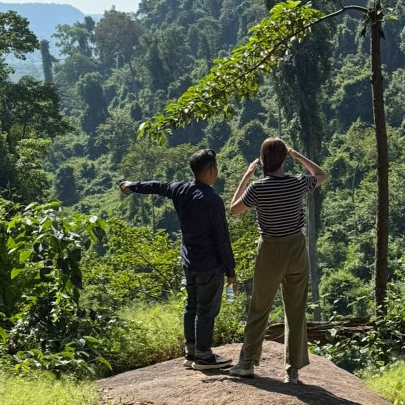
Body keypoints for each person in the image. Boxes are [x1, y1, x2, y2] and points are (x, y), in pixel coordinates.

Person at [119, 149, 237, 370]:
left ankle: (190, 353)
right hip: (209, 265)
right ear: (211, 170)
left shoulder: (180, 189)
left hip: (189, 262)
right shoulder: (212, 200)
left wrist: (131, 185)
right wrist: (230, 271)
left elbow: (157, 186)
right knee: (206, 310)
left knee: (191, 306)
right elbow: (222, 238)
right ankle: (203, 356)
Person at [227, 137, 326, 384]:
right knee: (295, 309)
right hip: (296, 248)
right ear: (283, 159)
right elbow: (321, 175)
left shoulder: (258, 188)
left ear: (262, 161)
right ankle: (292, 371)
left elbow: (234, 209)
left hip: (270, 249)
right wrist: (297, 155)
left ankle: (247, 363)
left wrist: (246, 176)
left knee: (260, 307)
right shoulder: (298, 184)